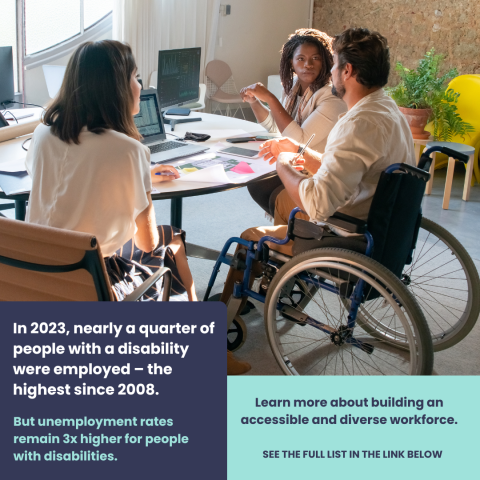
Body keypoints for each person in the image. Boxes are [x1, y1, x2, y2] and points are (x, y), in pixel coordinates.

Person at [221, 27, 415, 314]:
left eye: (333, 63)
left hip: (345, 236)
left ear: (346, 71)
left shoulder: (356, 124)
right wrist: (301, 152)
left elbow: (317, 203)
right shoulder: (388, 110)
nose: (330, 70)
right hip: (381, 225)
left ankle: (222, 324)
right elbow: (352, 169)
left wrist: (284, 162)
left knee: (248, 236)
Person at [25, 40, 197, 301]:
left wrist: (133, 177)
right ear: (117, 88)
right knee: (172, 238)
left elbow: (64, 183)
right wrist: (140, 182)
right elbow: (146, 243)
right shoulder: (129, 151)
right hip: (95, 282)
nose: (140, 86)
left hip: (37, 271)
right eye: (135, 77)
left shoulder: (42, 133)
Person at [240, 28, 346, 218]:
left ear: (325, 60)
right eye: (301, 59)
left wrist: (270, 98)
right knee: (256, 179)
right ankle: (289, 226)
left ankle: (296, 227)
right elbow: (276, 127)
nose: (308, 65)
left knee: (266, 184)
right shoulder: (294, 88)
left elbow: (299, 140)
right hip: (297, 164)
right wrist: (255, 101)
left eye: (315, 58)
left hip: (318, 173)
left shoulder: (331, 97)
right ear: (291, 62)